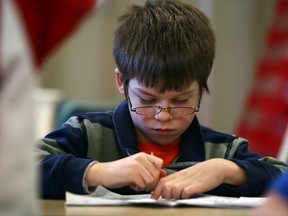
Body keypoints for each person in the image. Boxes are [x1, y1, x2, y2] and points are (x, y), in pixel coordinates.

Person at [36, 0, 288, 199]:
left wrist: (227, 170)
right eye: (147, 99)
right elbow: (21, 170)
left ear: (201, 87)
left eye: (180, 100)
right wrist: (99, 172)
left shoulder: (222, 151)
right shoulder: (88, 134)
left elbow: (282, 177)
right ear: (121, 82)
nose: (164, 116)